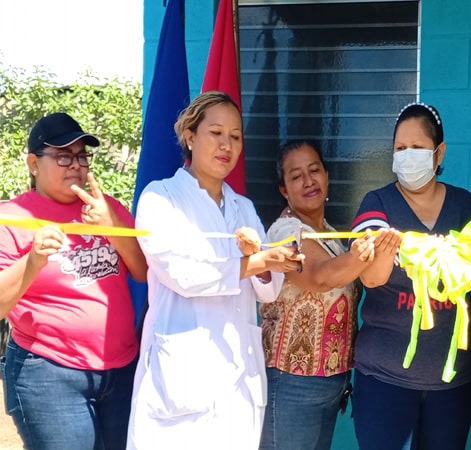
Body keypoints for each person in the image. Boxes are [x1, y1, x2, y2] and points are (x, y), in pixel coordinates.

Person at [126, 91, 303, 449]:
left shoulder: (244, 207)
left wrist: (270, 266)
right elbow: (184, 275)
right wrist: (257, 262)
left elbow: (267, 291)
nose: (227, 145)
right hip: (181, 374)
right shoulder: (160, 198)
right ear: (190, 137)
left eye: (235, 136)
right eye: (216, 133)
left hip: (238, 375)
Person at [0, 112, 148, 449]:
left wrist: (112, 225)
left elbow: (143, 271)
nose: (76, 165)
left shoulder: (105, 207)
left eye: (82, 156)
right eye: (63, 156)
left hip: (121, 369)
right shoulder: (11, 217)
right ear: (33, 164)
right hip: (49, 373)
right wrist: (34, 259)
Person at [350, 102, 471, 450]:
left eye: (418, 148)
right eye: (400, 148)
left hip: (452, 383)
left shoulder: (463, 205)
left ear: (439, 153)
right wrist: (387, 251)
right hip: (384, 380)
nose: (408, 156)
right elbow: (372, 279)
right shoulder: (377, 203)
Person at [258, 140, 400, 450]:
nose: (308, 181)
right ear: (284, 189)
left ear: (327, 175)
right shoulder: (286, 232)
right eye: (296, 176)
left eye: (314, 170)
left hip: (333, 383)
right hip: (291, 383)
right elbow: (321, 277)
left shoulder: (333, 236)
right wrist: (366, 253)